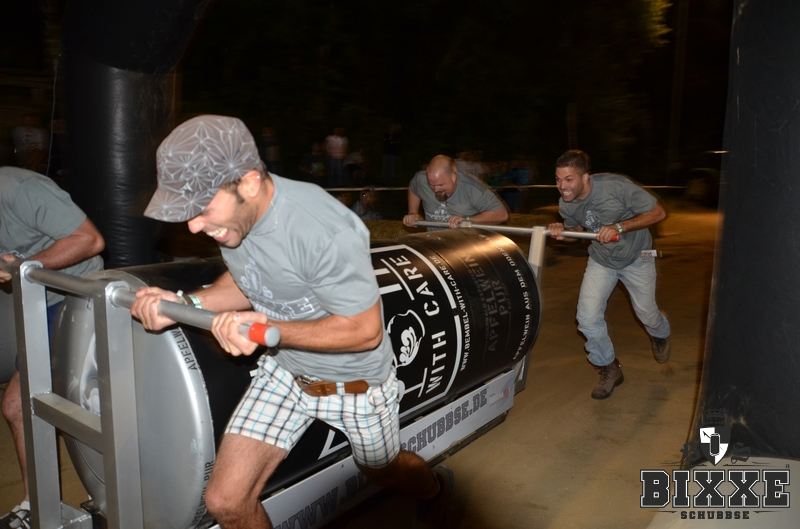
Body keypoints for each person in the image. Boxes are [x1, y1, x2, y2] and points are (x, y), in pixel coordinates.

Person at [131, 115, 453, 529]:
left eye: (203, 209)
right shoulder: (236, 220)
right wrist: (184, 302)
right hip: (285, 373)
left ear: (249, 183)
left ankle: (434, 489)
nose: (193, 226)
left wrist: (262, 330)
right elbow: (245, 279)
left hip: (356, 385)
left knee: (382, 469)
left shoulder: (320, 228)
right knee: (226, 501)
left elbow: (365, 330)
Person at [0, 166, 105, 529]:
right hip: (39, 303)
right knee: (17, 406)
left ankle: (124, 502)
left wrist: (23, 267)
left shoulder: (20, 189)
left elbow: (90, 240)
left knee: (86, 410)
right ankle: (40, 507)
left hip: (79, 297)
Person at [547, 149, 671, 400]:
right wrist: (561, 231)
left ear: (585, 177)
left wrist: (619, 227)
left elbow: (659, 213)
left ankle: (660, 335)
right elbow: (574, 232)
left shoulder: (615, 187)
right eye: (558, 180)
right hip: (601, 260)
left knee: (646, 313)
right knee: (587, 318)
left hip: (638, 256)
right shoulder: (566, 202)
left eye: (569, 179)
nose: (562, 186)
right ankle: (608, 367)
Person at [403, 154, 509, 229]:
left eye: (440, 185)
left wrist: (467, 220)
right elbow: (414, 187)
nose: (435, 189)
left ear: (453, 177)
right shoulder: (421, 179)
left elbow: (501, 214)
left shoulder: (473, 188)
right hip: (434, 240)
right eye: (432, 185)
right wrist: (413, 213)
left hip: (465, 242)